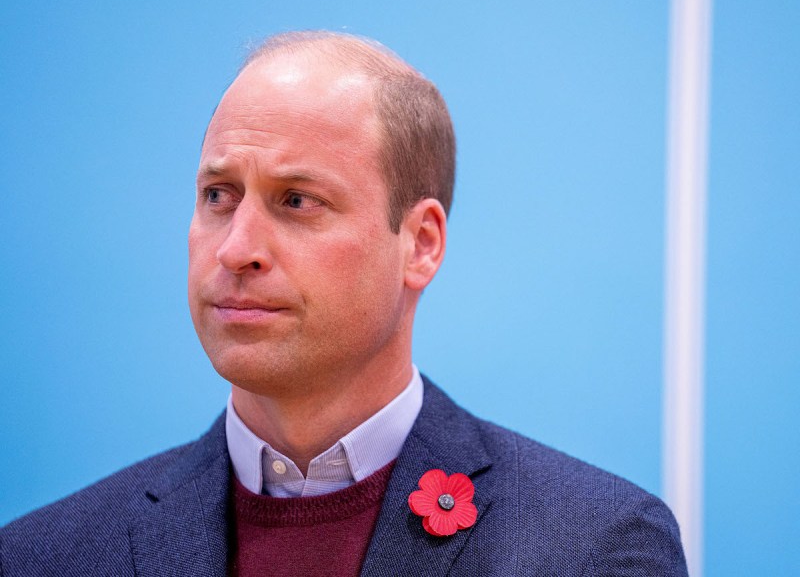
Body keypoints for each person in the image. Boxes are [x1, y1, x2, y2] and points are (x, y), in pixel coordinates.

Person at [0, 31, 688, 576]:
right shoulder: (43, 557)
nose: (236, 249)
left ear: (420, 244)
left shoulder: (592, 548)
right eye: (219, 196)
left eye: (297, 201)